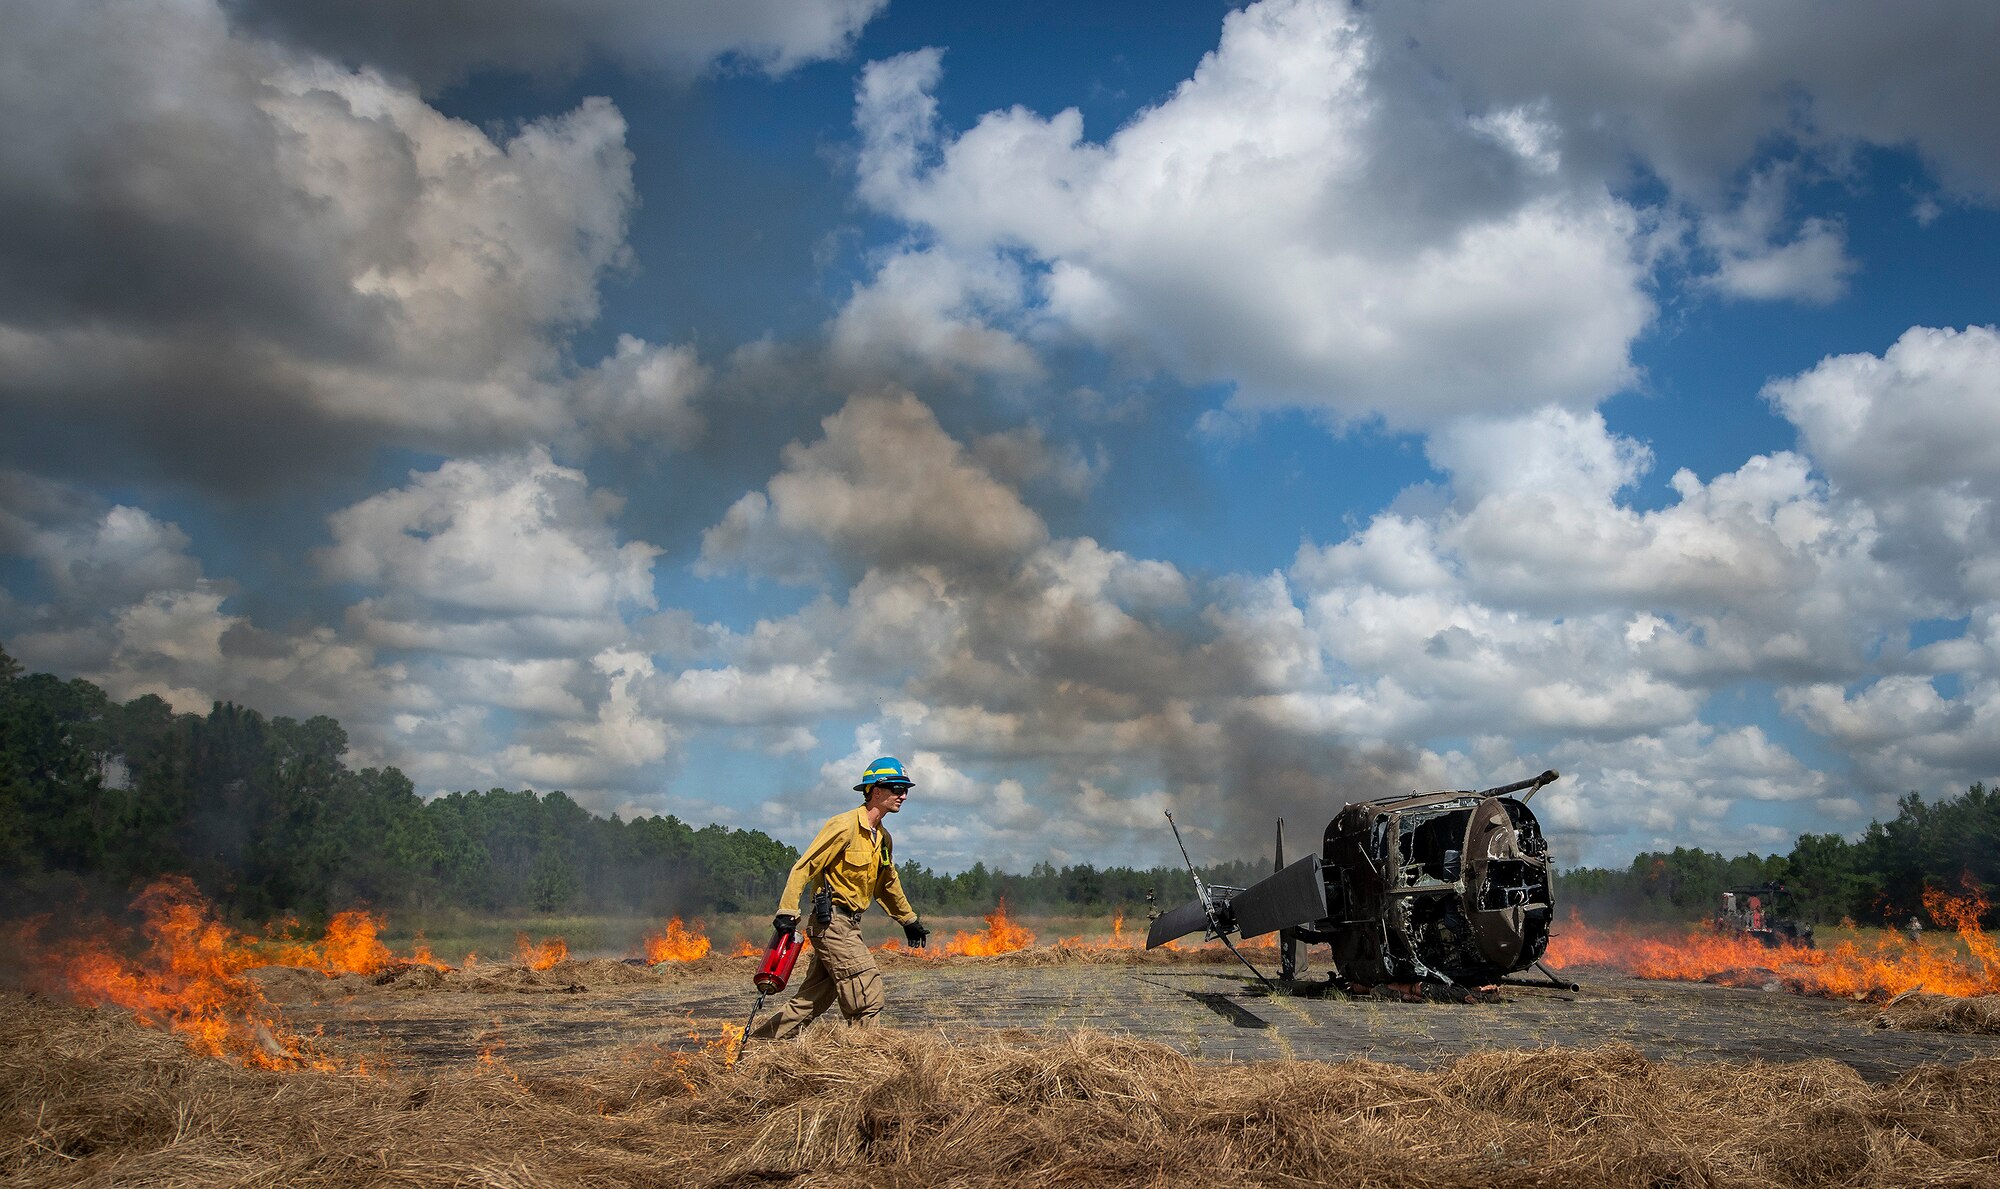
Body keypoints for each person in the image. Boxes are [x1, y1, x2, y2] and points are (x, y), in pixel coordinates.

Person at [748, 756, 930, 1039]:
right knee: (866, 991)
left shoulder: (883, 838)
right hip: (831, 923)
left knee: (811, 1000)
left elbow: (887, 883)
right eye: (897, 788)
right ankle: (863, 1054)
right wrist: (787, 911)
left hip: (850, 925)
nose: (903, 795)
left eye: (906, 790)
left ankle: (758, 1048)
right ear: (875, 791)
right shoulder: (844, 826)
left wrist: (908, 920)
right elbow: (804, 866)